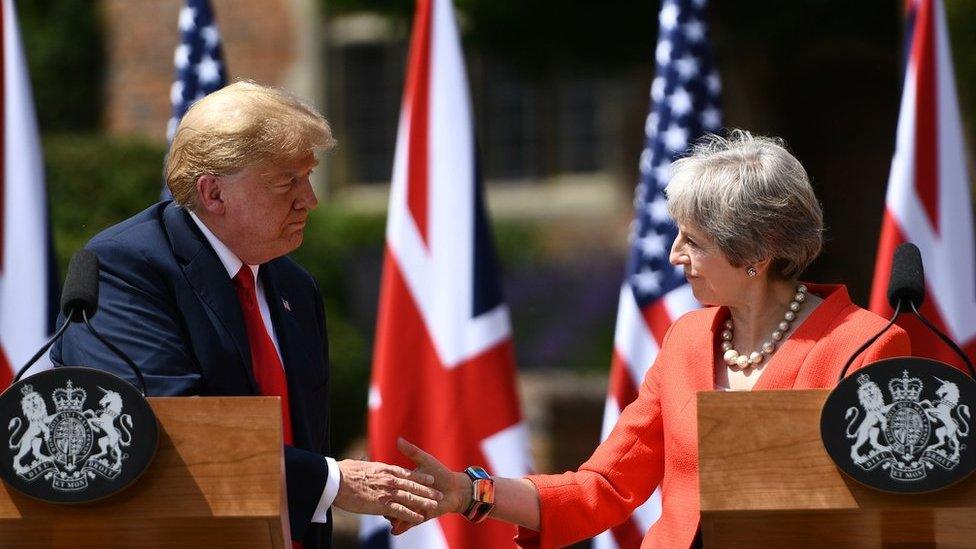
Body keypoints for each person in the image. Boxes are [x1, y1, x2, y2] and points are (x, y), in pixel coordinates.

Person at [392, 130, 911, 548]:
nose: (673, 256)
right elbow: (605, 487)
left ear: (755, 253)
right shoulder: (687, 340)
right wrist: (471, 492)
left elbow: (881, 514)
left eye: (694, 242)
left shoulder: (863, 346)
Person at [51, 81, 441, 549]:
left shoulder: (294, 284)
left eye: (308, 176)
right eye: (286, 181)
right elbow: (162, 428)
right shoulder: (126, 266)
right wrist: (333, 483)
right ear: (213, 193)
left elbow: (303, 438)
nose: (309, 199)